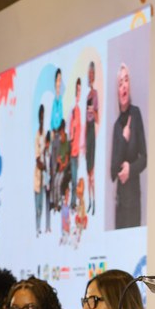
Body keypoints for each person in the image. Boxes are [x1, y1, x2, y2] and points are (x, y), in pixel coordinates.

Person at [110, 63, 147, 229]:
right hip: (120, 206)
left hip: (134, 203)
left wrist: (130, 170)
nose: (123, 86)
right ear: (117, 91)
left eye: (126, 80)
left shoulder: (136, 114)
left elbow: (144, 158)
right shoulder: (117, 126)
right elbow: (112, 171)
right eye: (120, 83)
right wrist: (124, 140)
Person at [85, 61, 99, 215]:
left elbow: (98, 117)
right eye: (89, 74)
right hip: (86, 132)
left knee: (92, 174)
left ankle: (94, 202)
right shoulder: (87, 95)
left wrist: (92, 111)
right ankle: (89, 201)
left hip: (92, 133)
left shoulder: (95, 95)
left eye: (92, 74)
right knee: (88, 173)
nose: (90, 76)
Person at [69, 77, 82, 210]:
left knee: (76, 179)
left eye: (80, 91)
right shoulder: (73, 111)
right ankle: (72, 204)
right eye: (77, 90)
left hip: (77, 151)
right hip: (72, 152)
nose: (79, 93)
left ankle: (74, 203)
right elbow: (71, 134)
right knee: (73, 180)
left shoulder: (79, 111)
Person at [34, 104, 46, 238]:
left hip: (45, 175)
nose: (42, 119)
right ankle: (36, 227)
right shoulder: (37, 135)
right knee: (37, 203)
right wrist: (43, 165)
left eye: (43, 116)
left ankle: (40, 227)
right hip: (38, 173)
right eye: (40, 116)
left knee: (42, 204)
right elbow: (37, 157)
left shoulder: (45, 133)